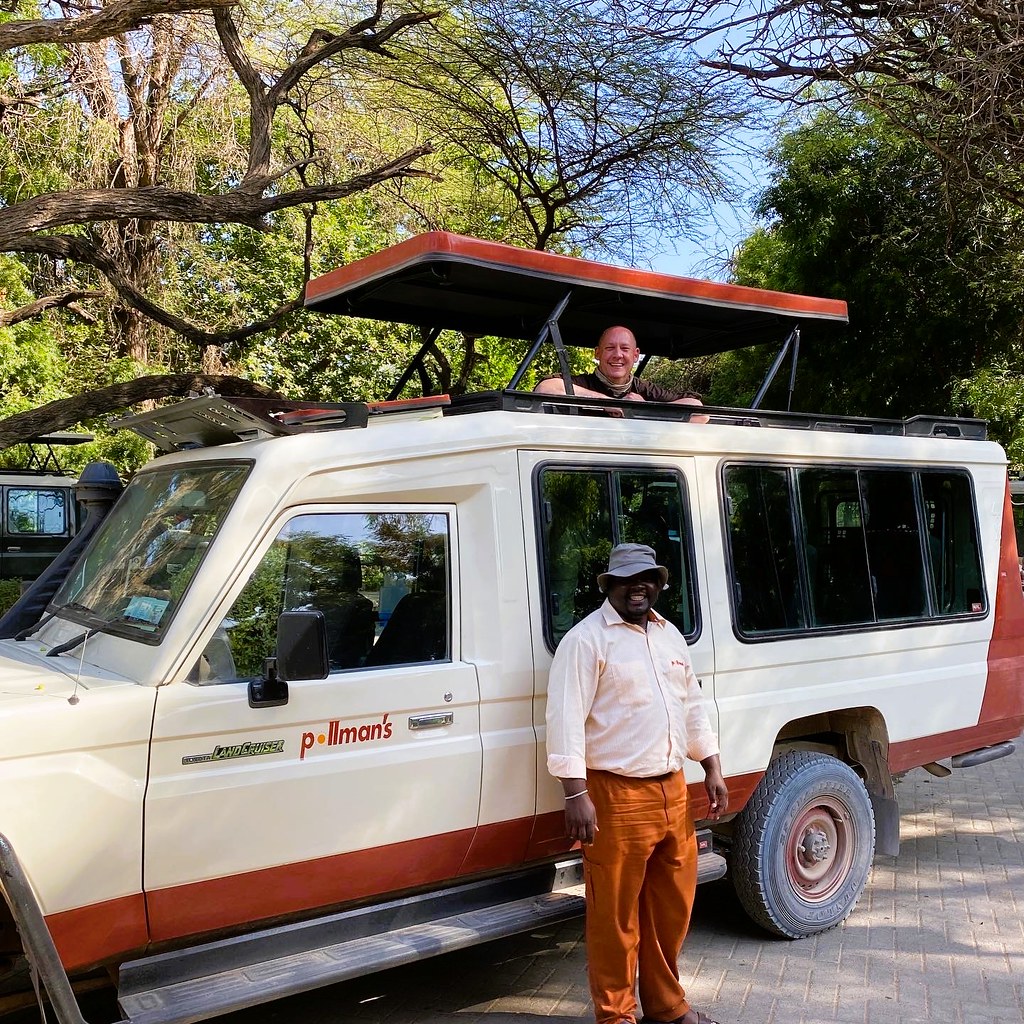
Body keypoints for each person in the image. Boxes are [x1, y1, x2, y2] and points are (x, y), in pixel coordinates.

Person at [546, 543, 728, 1024]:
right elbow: (564, 720)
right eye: (627, 579)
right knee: (615, 917)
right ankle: (616, 1015)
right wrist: (575, 793)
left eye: (647, 578)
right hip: (614, 795)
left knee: (672, 907)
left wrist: (710, 765)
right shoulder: (586, 640)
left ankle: (666, 1007)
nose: (638, 587)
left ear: (659, 584)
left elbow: (691, 705)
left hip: (672, 788)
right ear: (610, 585)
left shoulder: (670, 637)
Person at [534, 325, 707, 420]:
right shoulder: (582, 384)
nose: (617, 355)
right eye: (610, 348)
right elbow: (544, 388)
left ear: (636, 355)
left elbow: (699, 411)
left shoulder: (645, 390)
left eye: (624, 348)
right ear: (597, 353)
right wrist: (608, 402)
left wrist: (645, 409)